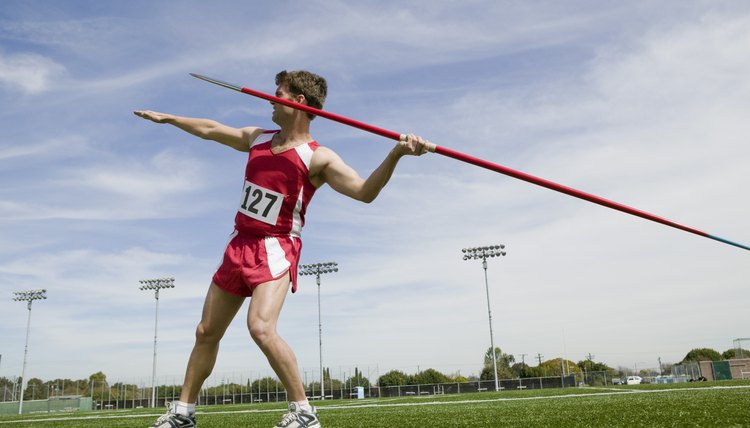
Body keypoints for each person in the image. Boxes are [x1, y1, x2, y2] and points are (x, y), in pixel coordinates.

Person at [134, 70, 430, 428]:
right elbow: (211, 129)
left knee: (260, 327)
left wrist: (397, 153)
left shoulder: (318, 158)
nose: (269, 100)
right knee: (205, 332)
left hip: (276, 247)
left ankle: (303, 413)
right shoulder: (258, 139)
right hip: (238, 244)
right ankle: (183, 415)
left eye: (277, 94)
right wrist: (170, 119)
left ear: (297, 102)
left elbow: (365, 192)